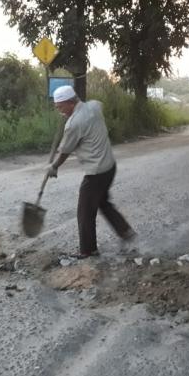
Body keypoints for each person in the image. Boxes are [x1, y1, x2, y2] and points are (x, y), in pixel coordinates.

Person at [47, 85, 135, 258]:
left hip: (96, 173)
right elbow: (98, 105)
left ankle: (88, 250)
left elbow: (65, 151)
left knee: (85, 211)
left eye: (60, 107)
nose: (59, 111)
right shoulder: (94, 106)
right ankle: (124, 231)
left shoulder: (74, 124)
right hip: (110, 166)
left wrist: (54, 166)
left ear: (70, 103)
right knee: (102, 201)